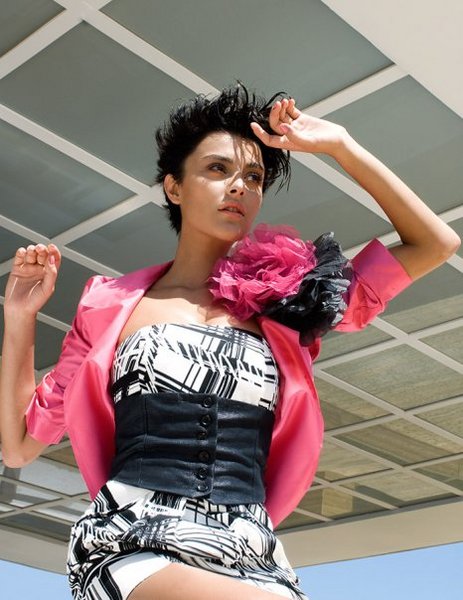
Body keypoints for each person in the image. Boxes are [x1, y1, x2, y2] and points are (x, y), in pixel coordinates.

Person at [0, 84, 460, 600]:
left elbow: (435, 242)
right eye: (217, 169)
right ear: (175, 187)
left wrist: (340, 145)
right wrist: (19, 316)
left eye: (254, 177)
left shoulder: (290, 301)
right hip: (133, 542)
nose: (239, 186)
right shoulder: (110, 305)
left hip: (253, 553)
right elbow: (19, 445)